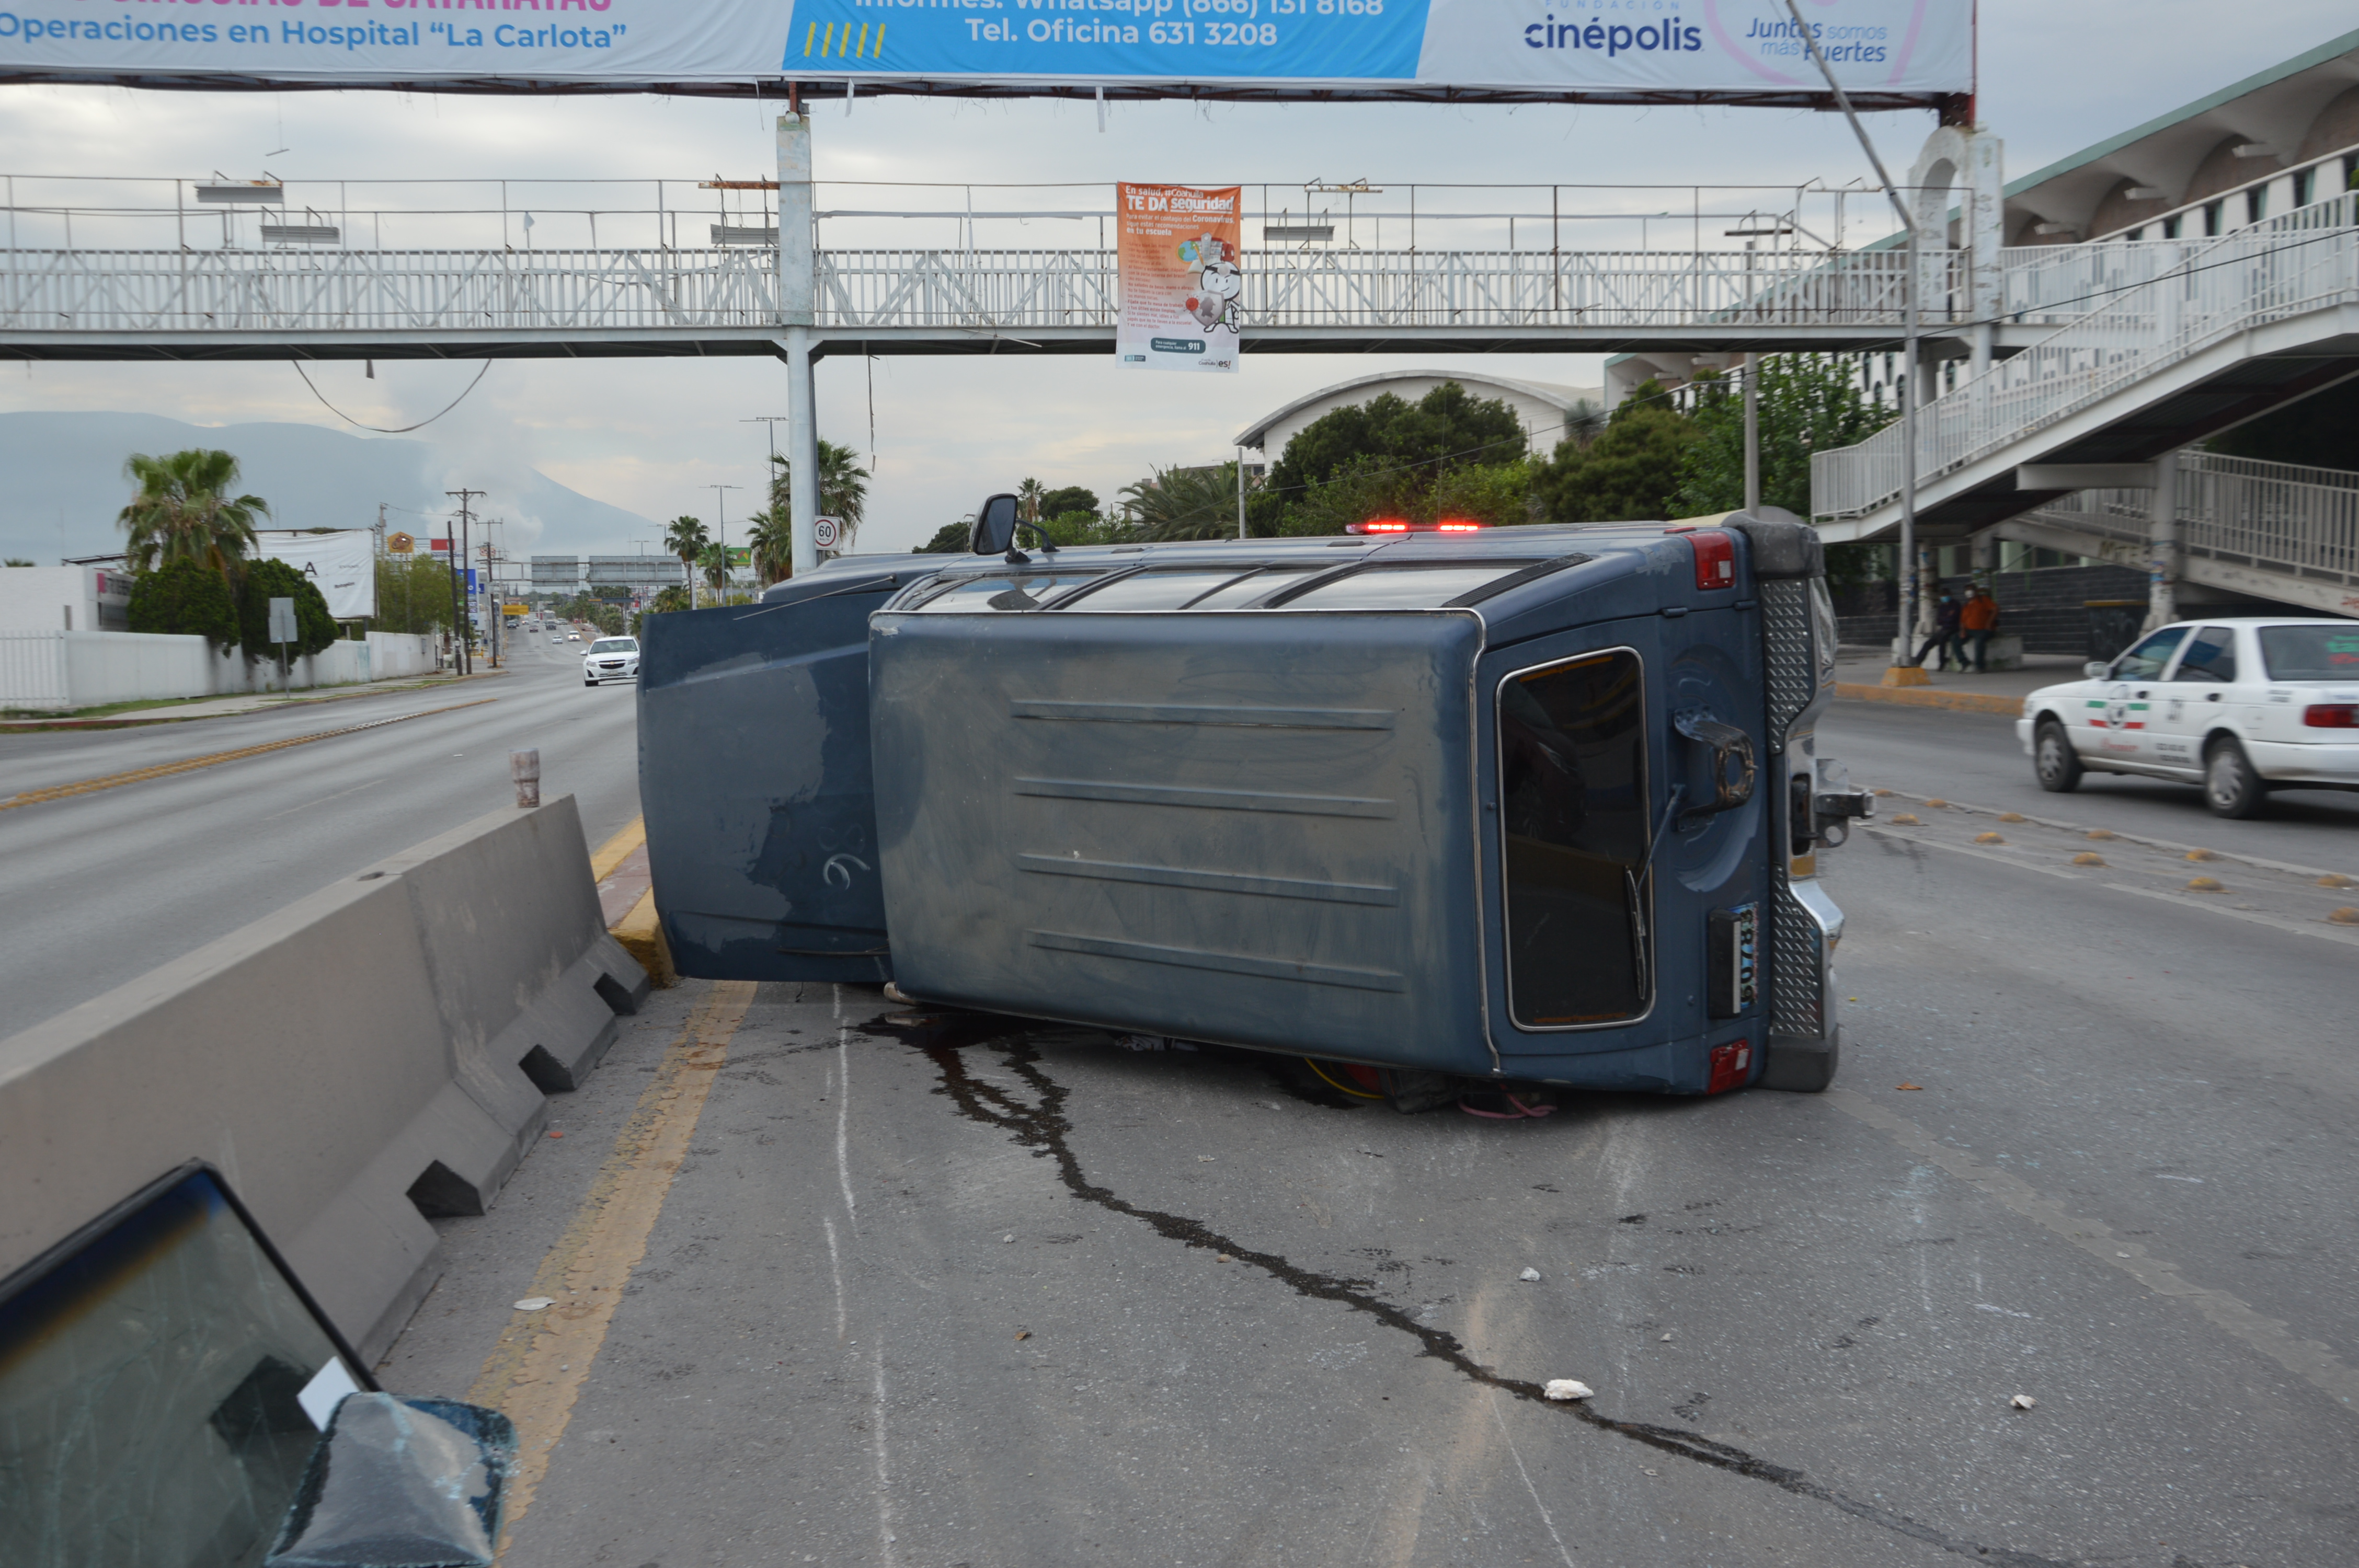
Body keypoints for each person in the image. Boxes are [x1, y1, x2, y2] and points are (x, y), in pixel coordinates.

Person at [1912, 592, 1964, 670]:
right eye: (1942, 596)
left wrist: (1946, 618)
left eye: (1945, 596)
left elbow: (1954, 618)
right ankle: (1918, 661)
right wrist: (1948, 617)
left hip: (1954, 628)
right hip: (1944, 629)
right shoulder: (1942, 607)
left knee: (1942, 641)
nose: (1944, 598)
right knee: (1928, 643)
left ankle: (1942, 662)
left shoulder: (1955, 605)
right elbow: (1939, 621)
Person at [1960, 586, 2002, 672]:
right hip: (1970, 630)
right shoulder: (1966, 606)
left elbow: (1995, 609)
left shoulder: (1984, 600)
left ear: (1976, 591)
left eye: (1970, 590)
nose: (1969, 592)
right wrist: (1963, 631)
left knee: (1979, 642)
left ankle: (1980, 666)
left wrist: (1989, 623)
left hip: (1983, 630)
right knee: (1955, 639)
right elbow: (1963, 621)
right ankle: (1964, 662)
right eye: (1967, 591)